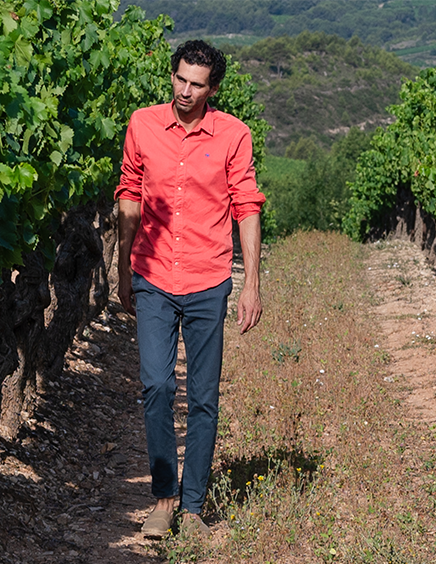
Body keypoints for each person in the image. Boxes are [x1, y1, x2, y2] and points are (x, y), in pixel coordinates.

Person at [115, 40, 265, 538]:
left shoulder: (233, 136)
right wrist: (121, 268)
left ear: (212, 89)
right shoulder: (142, 124)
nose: (184, 90)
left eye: (196, 84)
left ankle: (194, 507)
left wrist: (251, 284)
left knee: (203, 397)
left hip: (208, 280)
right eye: (180, 79)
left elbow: (247, 206)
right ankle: (163, 498)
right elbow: (128, 196)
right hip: (153, 275)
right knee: (157, 386)